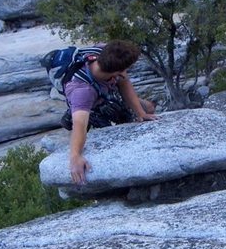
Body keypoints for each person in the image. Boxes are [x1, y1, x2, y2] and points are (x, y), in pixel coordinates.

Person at [63, 40, 157, 184]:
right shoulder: (83, 91)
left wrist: (141, 113)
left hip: (105, 89)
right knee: (106, 114)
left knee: (148, 108)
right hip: (89, 102)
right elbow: (79, 124)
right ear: (117, 72)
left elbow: (124, 81)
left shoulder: (104, 52)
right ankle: (77, 112)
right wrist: (75, 156)